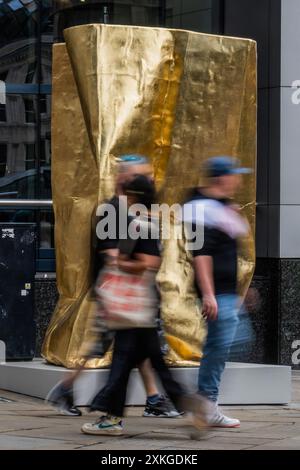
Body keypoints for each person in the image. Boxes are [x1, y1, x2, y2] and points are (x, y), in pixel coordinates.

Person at [46, 155, 180, 418]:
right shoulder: (114, 210)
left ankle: (152, 399)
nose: (150, 180)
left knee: (132, 347)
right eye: (144, 175)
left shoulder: (130, 209)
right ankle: (71, 391)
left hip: (127, 294)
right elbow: (112, 255)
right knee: (114, 345)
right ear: (126, 179)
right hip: (119, 294)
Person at [81, 174, 187, 436]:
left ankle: (111, 418)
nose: (124, 198)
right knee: (149, 365)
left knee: (122, 364)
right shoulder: (148, 221)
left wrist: (119, 262)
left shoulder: (142, 224)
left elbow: (149, 263)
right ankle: (193, 409)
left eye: (127, 194)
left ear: (135, 197)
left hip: (135, 307)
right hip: (141, 307)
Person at [183, 156, 251, 428]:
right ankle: (204, 401)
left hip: (226, 292)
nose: (239, 180)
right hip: (217, 293)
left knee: (226, 343)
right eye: (235, 175)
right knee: (222, 345)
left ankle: (204, 400)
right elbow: (202, 255)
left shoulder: (219, 207)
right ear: (222, 178)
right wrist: (209, 294)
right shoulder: (202, 211)